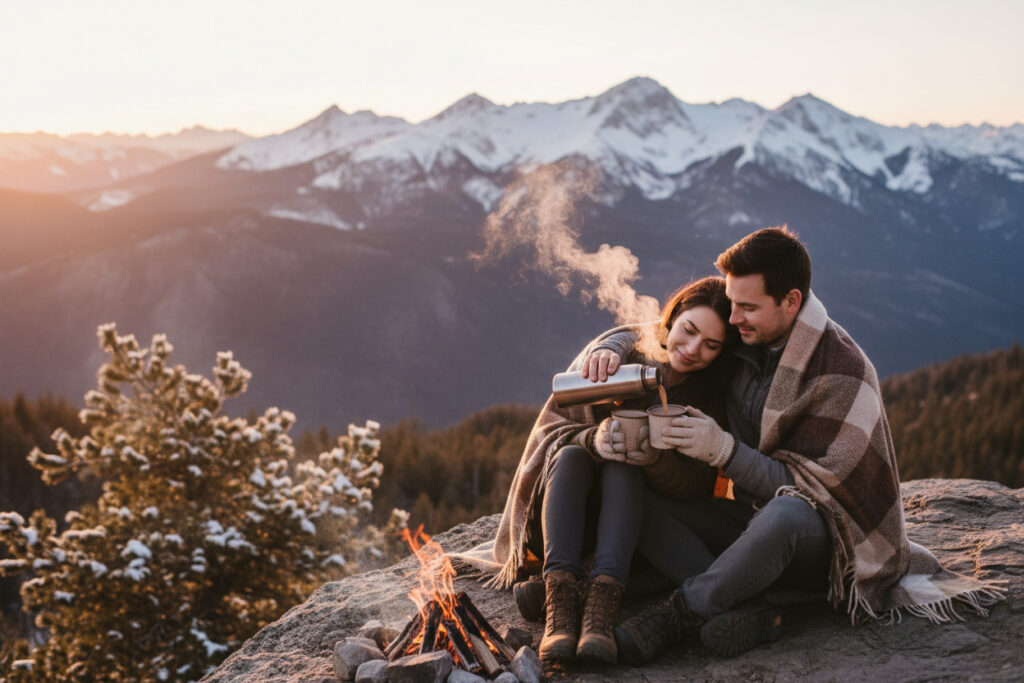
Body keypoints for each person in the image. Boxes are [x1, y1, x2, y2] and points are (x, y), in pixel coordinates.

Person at [597, 226, 1005, 663]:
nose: (734, 318)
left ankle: (682, 611)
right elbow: (665, 328)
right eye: (733, 304)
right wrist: (612, 345)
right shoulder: (745, 335)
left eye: (748, 307)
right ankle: (754, 605)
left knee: (786, 513)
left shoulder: (840, 370)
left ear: (791, 301)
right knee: (647, 499)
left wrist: (722, 451)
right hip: (746, 516)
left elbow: (817, 495)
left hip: (825, 536)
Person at [452, 276, 738, 664]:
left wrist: (656, 462)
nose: (691, 349)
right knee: (572, 455)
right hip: (565, 516)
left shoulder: (708, 396)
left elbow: (697, 485)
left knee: (625, 469)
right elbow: (553, 434)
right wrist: (593, 440)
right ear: (672, 318)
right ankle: (560, 602)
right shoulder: (622, 357)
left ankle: (600, 610)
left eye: (711, 345)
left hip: (630, 530)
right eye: (688, 330)